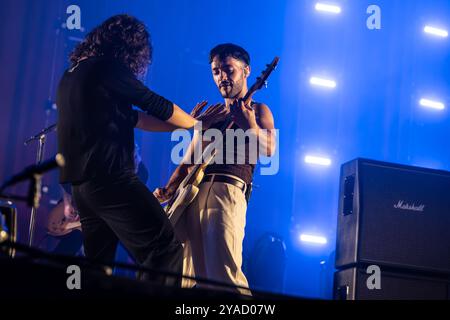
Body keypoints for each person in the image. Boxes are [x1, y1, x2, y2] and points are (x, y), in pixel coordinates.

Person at [56, 15, 226, 287]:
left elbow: (136, 119)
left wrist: (186, 127)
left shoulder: (74, 74)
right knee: (164, 250)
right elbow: (153, 104)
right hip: (111, 181)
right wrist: (198, 125)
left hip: (83, 189)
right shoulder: (107, 69)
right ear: (129, 48)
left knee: (97, 268)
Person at [154, 43, 276, 294]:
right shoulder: (212, 113)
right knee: (193, 277)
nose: (222, 77)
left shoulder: (258, 110)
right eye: (216, 71)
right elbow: (189, 161)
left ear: (246, 71)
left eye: (228, 70)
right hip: (193, 196)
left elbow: (269, 149)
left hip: (227, 191)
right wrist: (167, 189)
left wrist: (250, 124)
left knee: (226, 275)